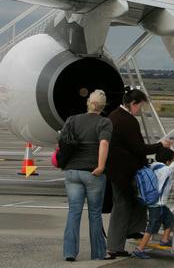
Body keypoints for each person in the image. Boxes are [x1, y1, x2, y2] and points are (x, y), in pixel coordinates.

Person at [106, 88, 172, 258]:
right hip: (124, 172)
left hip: (116, 170)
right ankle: (115, 246)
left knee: (135, 201)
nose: (139, 111)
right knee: (123, 207)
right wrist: (160, 146)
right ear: (133, 104)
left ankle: (132, 231)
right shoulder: (127, 120)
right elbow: (138, 148)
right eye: (140, 106)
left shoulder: (114, 115)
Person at [61, 90, 112, 262]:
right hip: (92, 172)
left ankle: (69, 252)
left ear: (88, 102)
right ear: (103, 106)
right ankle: (98, 252)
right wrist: (101, 166)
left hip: (72, 170)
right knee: (94, 213)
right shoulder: (104, 122)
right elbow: (104, 144)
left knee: (73, 212)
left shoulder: (72, 119)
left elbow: (62, 141)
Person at [131, 148, 174, 259]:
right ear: (168, 162)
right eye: (172, 159)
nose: (173, 161)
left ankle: (164, 240)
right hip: (157, 203)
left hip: (157, 202)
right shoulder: (165, 170)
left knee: (169, 217)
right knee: (152, 226)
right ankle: (139, 249)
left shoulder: (153, 166)